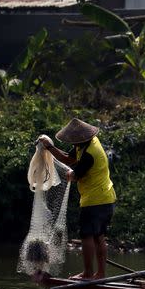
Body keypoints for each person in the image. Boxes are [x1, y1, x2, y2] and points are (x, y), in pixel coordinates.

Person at [37, 118, 116, 280]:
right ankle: (100, 274)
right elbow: (68, 158)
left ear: (81, 139)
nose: (73, 144)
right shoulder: (87, 143)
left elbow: (75, 175)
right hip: (106, 199)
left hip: (94, 201)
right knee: (99, 236)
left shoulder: (89, 154)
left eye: (74, 141)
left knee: (86, 236)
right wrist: (50, 147)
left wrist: (71, 175)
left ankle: (88, 274)